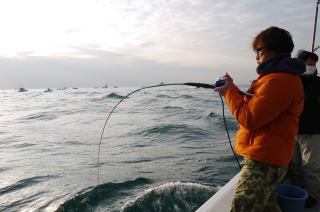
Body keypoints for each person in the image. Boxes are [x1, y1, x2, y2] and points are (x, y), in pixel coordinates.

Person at [214, 26, 305, 211]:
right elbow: (258, 106)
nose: (256, 56)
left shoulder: (279, 81)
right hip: (268, 153)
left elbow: (250, 118)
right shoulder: (275, 78)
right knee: (267, 204)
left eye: (259, 50)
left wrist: (229, 92)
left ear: (274, 50)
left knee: (243, 204)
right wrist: (233, 88)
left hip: (266, 157)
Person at [290, 50, 320, 208]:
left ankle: (312, 196)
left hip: (313, 130)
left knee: (310, 166)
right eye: (309, 64)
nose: (312, 67)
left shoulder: (318, 82)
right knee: (295, 164)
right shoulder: (292, 81)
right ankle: (298, 192)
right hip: (293, 129)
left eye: (314, 64)